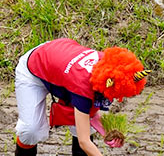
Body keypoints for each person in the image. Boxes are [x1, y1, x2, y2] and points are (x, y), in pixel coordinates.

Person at [14, 38, 151, 156]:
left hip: (60, 58)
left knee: (82, 124)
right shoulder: (83, 87)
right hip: (34, 67)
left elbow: (89, 115)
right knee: (31, 130)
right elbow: (84, 141)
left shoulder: (113, 65)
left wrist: (106, 131)